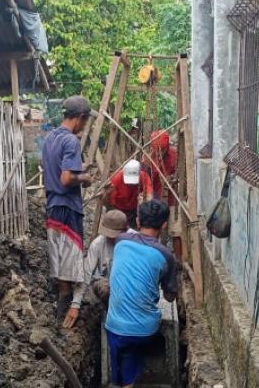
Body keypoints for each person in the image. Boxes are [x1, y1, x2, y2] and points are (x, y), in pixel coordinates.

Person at [105, 200, 178, 387]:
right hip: (143, 330)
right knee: (134, 349)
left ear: (137, 221)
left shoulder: (120, 241)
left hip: (113, 326)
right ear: (163, 225)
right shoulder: (166, 256)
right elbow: (170, 297)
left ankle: (117, 381)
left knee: (121, 357)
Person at [42, 95, 95, 328]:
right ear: (81, 118)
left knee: (59, 258)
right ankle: (71, 311)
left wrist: (80, 167)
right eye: (85, 121)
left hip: (53, 206)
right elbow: (66, 178)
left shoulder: (50, 138)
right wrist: (85, 178)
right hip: (67, 207)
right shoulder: (72, 141)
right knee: (72, 260)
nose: (84, 126)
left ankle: (60, 308)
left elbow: (56, 169)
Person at [65, 210, 129, 328]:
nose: (109, 238)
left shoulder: (135, 241)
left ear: (125, 231)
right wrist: (75, 305)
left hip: (131, 285)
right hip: (111, 285)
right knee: (102, 287)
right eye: (107, 234)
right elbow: (86, 273)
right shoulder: (98, 244)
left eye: (113, 235)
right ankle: (112, 312)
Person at [142, 130, 183, 260]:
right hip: (156, 199)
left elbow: (182, 175)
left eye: (163, 149)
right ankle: (153, 257)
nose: (160, 152)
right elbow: (145, 181)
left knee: (176, 231)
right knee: (154, 230)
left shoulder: (175, 155)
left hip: (173, 200)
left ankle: (179, 261)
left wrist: (174, 178)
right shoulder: (147, 160)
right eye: (156, 149)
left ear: (167, 147)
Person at [103, 159, 153, 229]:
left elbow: (149, 194)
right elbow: (107, 203)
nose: (131, 184)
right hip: (118, 210)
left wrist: (145, 204)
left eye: (133, 182)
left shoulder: (143, 176)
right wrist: (107, 194)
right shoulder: (116, 179)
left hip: (134, 210)